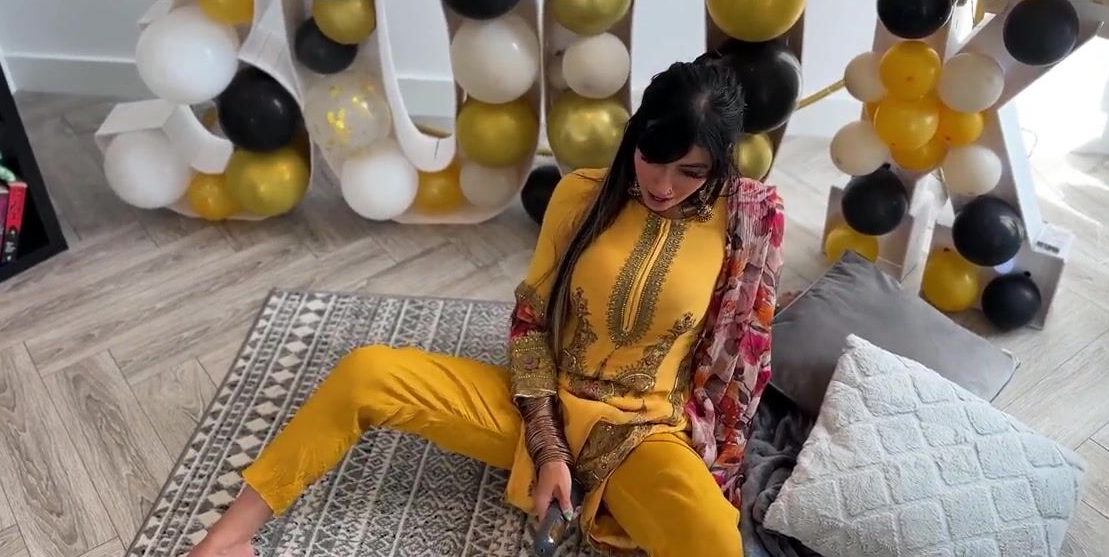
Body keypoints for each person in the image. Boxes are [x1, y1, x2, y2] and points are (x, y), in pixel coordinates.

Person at [189, 60, 785, 557]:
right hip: (540, 406)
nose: (664, 184)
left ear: (718, 166)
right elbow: (530, 325)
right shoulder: (582, 195)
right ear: (635, 135)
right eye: (653, 157)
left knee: (716, 539)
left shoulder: (743, 227)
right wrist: (549, 448)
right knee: (364, 373)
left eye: (691, 171)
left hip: (642, 433)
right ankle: (225, 541)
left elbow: (737, 361)